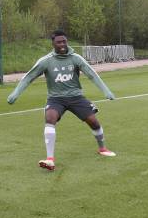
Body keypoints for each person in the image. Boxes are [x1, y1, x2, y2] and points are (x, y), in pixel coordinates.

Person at [7, 30, 116, 171]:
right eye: (59, 42)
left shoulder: (76, 58)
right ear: (53, 44)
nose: (62, 44)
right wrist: (15, 93)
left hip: (76, 97)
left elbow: (92, 74)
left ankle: (102, 148)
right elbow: (29, 77)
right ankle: (50, 159)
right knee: (50, 118)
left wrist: (106, 91)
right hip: (55, 99)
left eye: (64, 41)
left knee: (93, 122)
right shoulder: (46, 61)